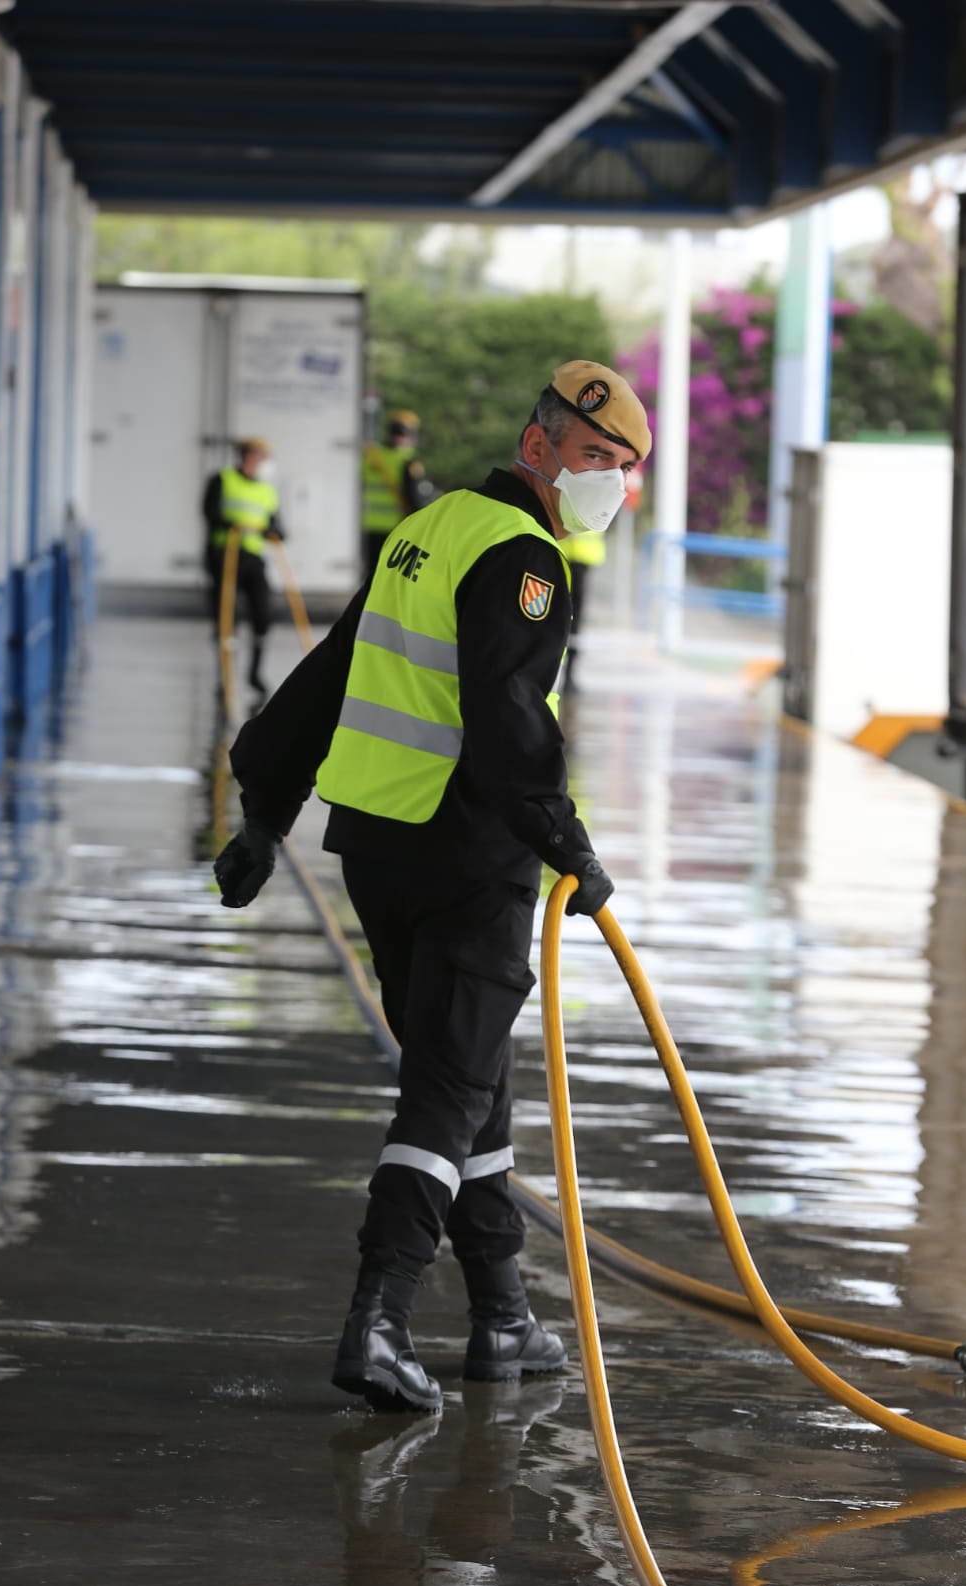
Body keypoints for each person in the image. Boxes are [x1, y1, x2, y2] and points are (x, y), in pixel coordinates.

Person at [215, 360, 651, 1417]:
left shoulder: (433, 527)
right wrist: (568, 846)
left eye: (625, 469)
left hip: (381, 847)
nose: (610, 483)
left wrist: (266, 808)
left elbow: (332, 671)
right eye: (596, 458)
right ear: (539, 445)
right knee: (447, 1091)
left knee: (469, 1074)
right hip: (466, 857)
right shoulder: (523, 559)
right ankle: (382, 1315)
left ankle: (503, 1311)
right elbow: (509, 728)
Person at [202, 437, 285, 696]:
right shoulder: (223, 479)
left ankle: (255, 674)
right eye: (253, 455)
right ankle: (224, 676)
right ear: (244, 456)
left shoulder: (267, 490)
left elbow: (278, 526)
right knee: (227, 618)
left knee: (263, 615)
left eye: (261, 456)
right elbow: (209, 512)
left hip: (253, 557)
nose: (257, 461)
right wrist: (235, 525)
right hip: (224, 554)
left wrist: (272, 531)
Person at [360, 409, 434, 579]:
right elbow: (416, 500)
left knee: (371, 573)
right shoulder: (407, 461)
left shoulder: (371, 456)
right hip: (396, 527)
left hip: (366, 524)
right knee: (389, 575)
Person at [560, 526, 607, 691]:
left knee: (572, 622)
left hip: (573, 557)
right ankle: (568, 675)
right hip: (565, 555)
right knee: (571, 621)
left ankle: (569, 674)